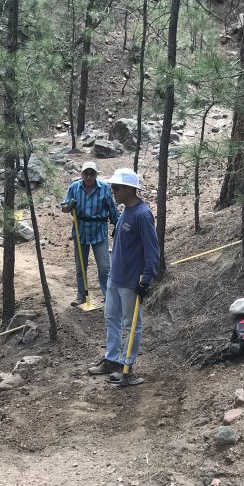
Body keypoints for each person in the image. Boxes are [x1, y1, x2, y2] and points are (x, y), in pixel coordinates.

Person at [88, 167, 159, 385]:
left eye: (117, 188)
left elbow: (152, 251)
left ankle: (127, 365)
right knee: (111, 318)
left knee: (131, 324)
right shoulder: (125, 211)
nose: (113, 192)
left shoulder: (142, 215)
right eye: (112, 188)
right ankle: (112, 359)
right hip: (115, 277)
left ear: (129, 189)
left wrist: (146, 279)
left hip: (130, 281)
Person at [61, 161, 118, 306]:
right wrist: (69, 205)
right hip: (80, 232)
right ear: (82, 174)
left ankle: (108, 297)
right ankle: (81, 296)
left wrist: (116, 224)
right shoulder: (74, 187)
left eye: (92, 173)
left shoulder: (104, 188)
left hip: (99, 231)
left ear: (96, 174)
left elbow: (112, 208)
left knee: (104, 268)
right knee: (80, 267)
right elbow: (64, 208)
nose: (88, 176)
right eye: (86, 173)